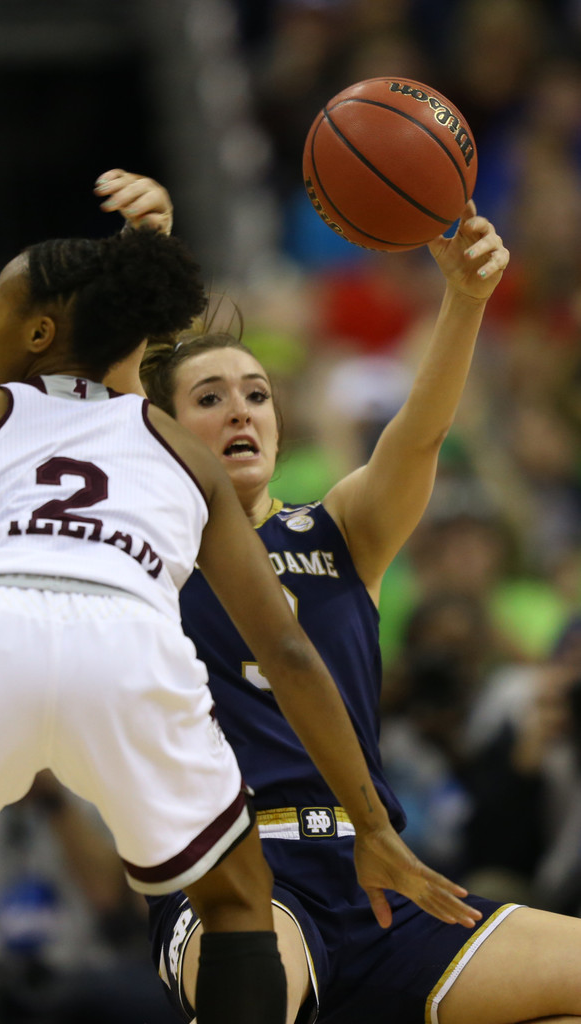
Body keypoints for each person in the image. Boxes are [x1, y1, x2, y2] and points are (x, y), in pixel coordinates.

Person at [0, 207, 476, 1024]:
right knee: (236, 905)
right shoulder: (174, 444)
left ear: (41, 332)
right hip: (127, 645)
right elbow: (289, 650)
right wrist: (372, 822)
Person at [120, 175, 581, 1023]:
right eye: (210, 398)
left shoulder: (335, 532)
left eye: (256, 394)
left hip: (375, 873)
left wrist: (466, 298)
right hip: (237, 874)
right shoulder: (143, 550)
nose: (240, 412)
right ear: (164, 429)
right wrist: (143, 263)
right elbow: (104, 408)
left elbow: (420, 433)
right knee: (252, 991)